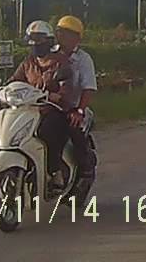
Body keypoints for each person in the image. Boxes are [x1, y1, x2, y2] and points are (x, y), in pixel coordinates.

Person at [8, 20, 76, 188]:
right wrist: (0, 91)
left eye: (38, 40)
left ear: (49, 41)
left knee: (47, 130)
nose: (34, 44)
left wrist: (57, 96)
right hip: (29, 110)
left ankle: (55, 172)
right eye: (31, 40)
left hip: (54, 110)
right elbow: (14, 81)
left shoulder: (61, 63)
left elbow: (67, 88)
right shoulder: (28, 63)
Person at [54, 15, 97, 181]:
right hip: (51, 105)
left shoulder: (83, 59)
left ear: (77, 38)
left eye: (67, 33)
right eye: (60, 31)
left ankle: (85, 167)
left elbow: (89, 88)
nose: (62, 36)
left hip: (73, 108)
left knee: (73, 128)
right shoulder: (51, 54)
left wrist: (79, 110)